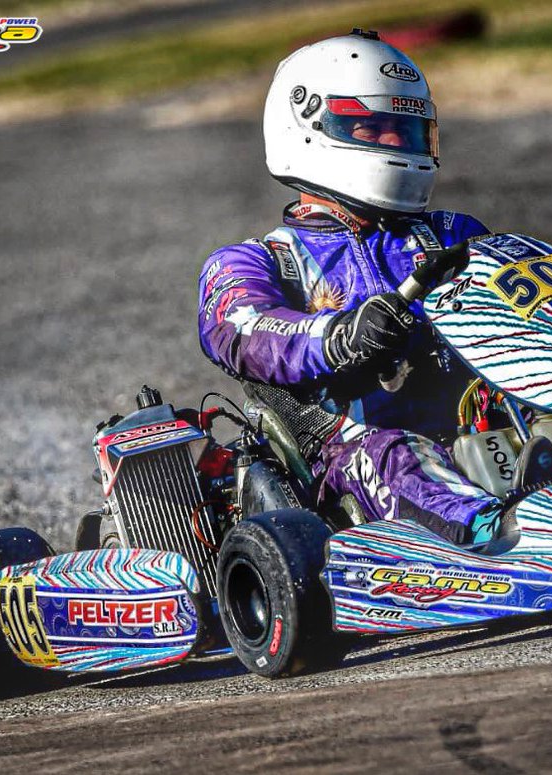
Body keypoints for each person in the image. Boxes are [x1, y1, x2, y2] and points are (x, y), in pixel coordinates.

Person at [198, 29, 503, 544]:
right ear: (308, 127)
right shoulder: (258, 261)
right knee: (394, 456)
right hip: (346, 454)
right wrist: (338, 335)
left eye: (406, 130)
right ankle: (499, 538)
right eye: (372, 128)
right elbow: (242, 330)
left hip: (477, 424)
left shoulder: (452, 234)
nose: (394, 143)